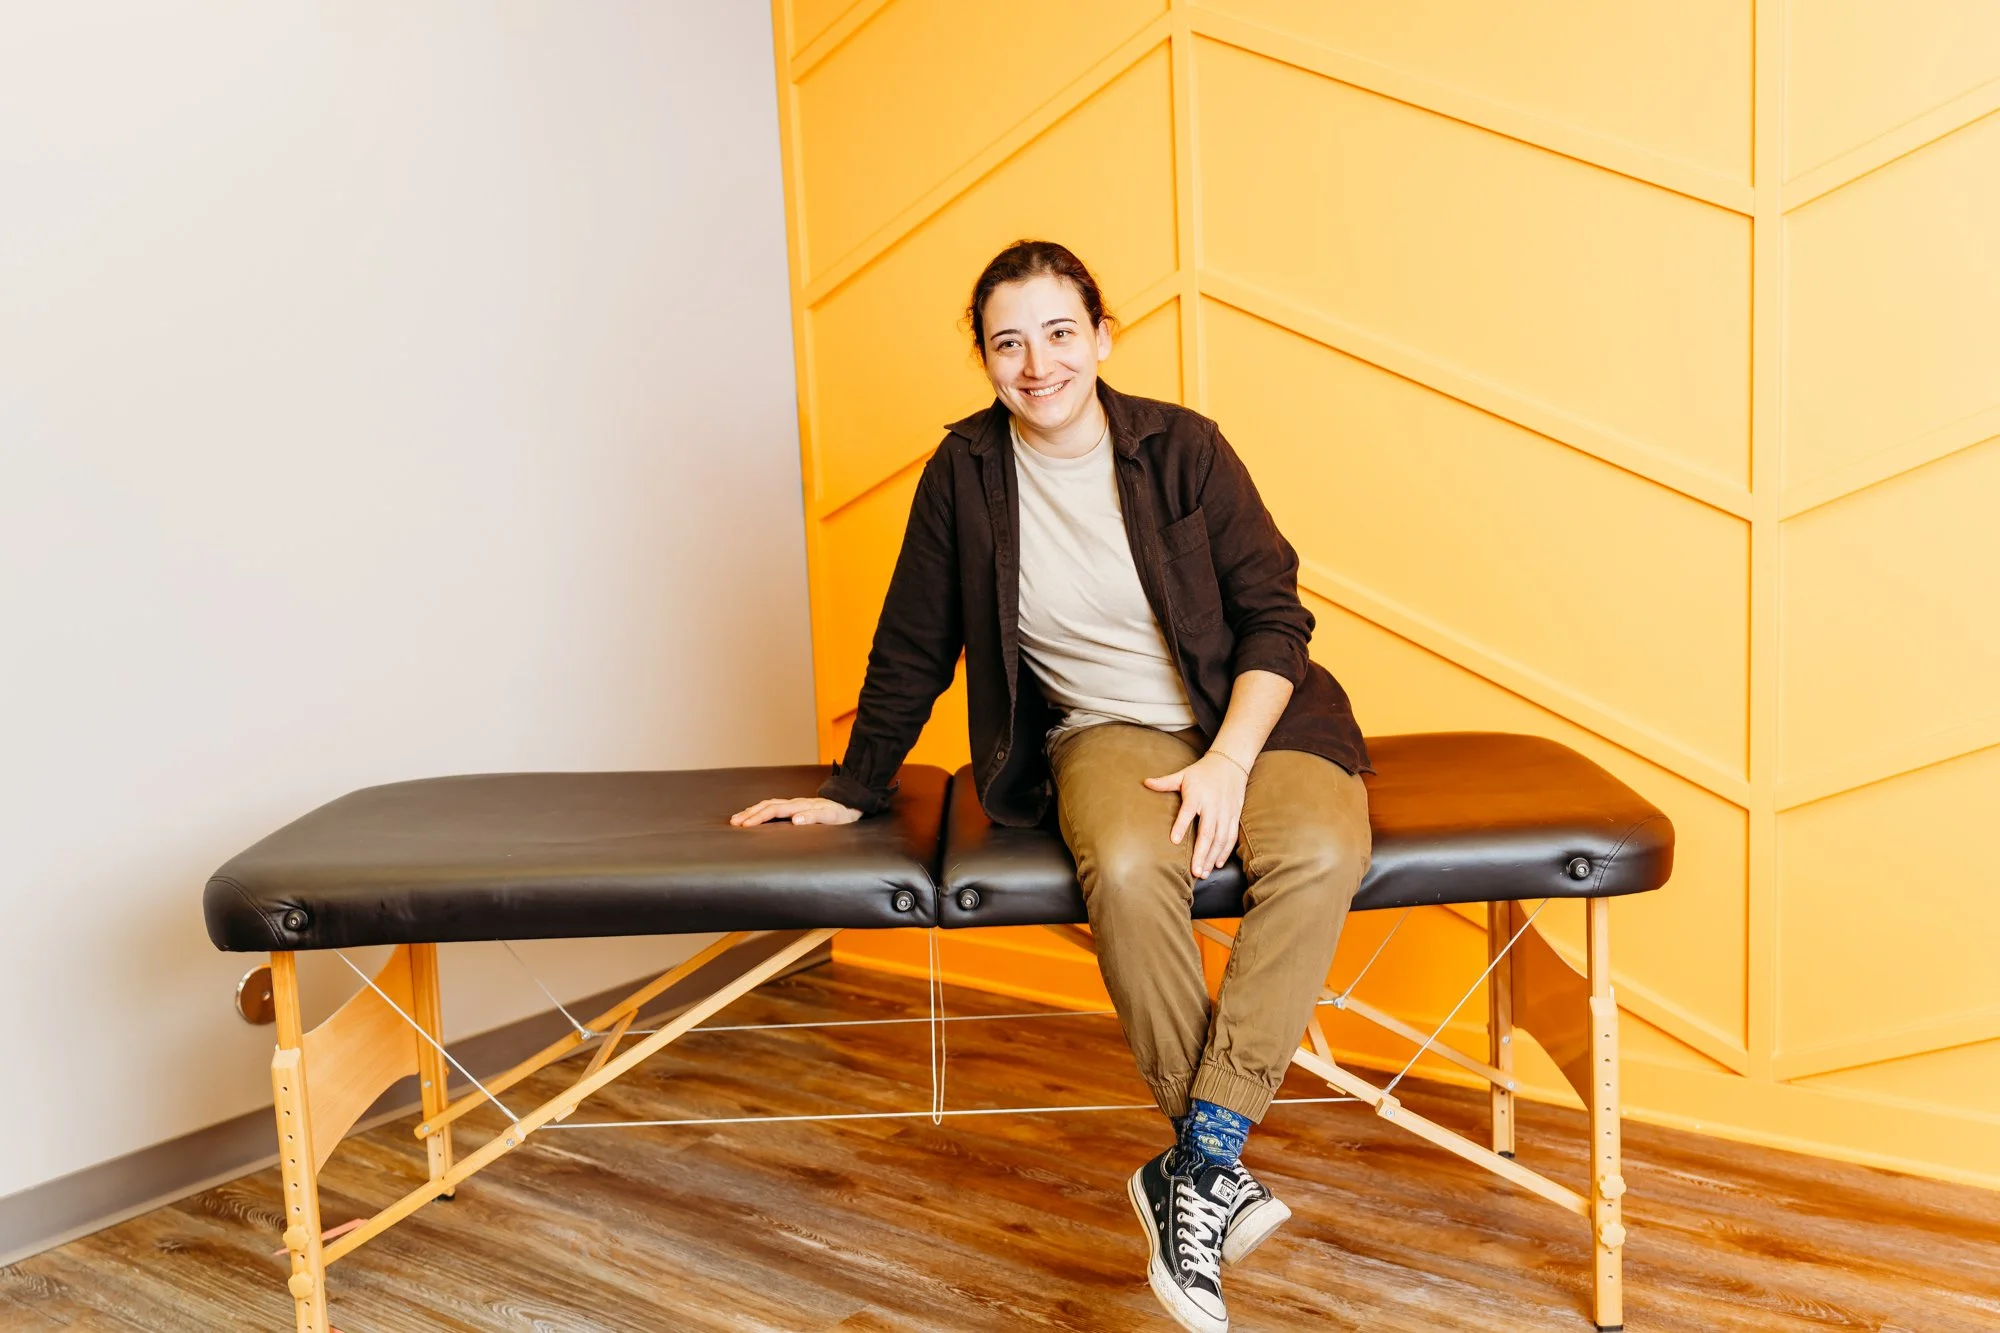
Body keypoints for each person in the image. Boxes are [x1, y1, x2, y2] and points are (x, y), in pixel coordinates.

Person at [731, 239, 1372, 1333]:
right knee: (1124, 866)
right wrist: (855, 784)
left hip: (1255, 718)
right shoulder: (963, 475)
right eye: (1008, 343)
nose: (1038, 365)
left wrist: (1227, 761)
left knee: (1319, 849)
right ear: (985, 359)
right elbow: (913, 642)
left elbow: (1275, 615)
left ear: (1103, 337)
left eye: (1060, 333)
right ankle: (1213, 1163)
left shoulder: (1185, 448)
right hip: (1101, 729)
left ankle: (1195, 1161)